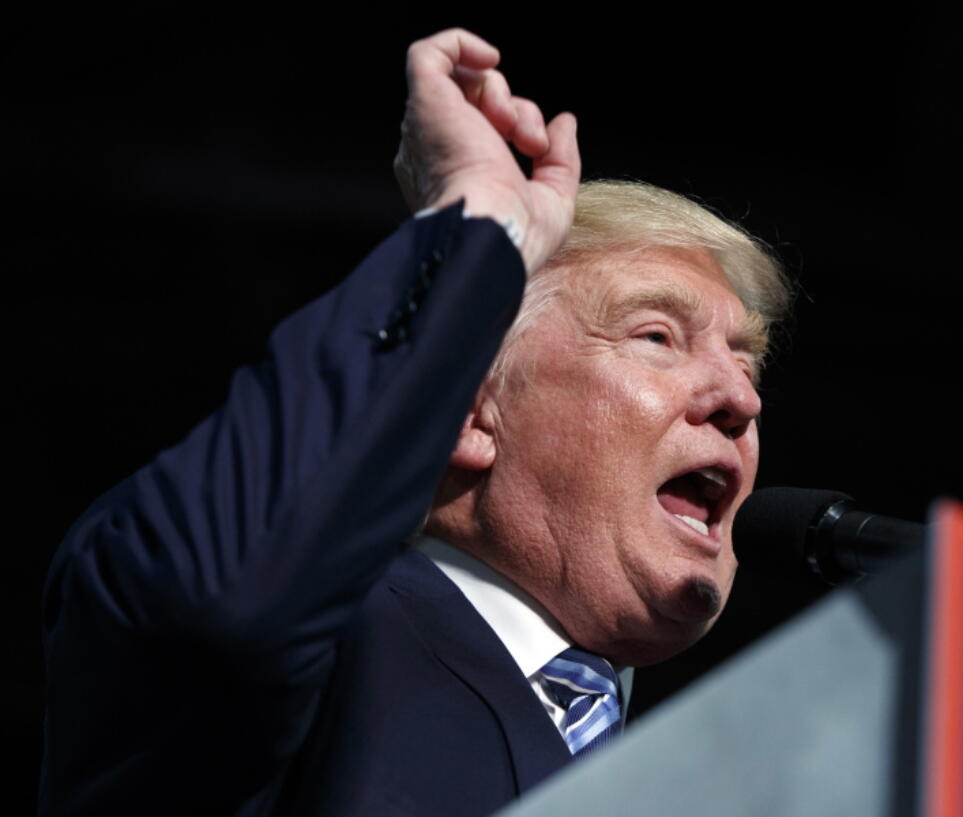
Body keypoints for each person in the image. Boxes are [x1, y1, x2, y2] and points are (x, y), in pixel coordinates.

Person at [39, 28, 789, 817]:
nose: (742, 400)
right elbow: (221, 600)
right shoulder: (328, 652)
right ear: (469, 407)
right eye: (657, 338)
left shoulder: (715, 776)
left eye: (746, 364)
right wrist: (479, 224)